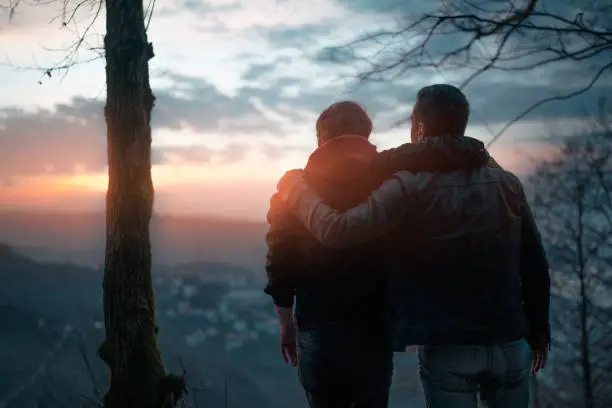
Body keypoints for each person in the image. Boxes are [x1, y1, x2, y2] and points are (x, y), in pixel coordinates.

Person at [273, 84, 551, 408]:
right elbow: (533, 262)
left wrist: (295, 188)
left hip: (448, 346)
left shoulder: (409, 186)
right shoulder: (507, 183)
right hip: (511, 341)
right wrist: (539, 332)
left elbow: (338, 230)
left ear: (418, 127)